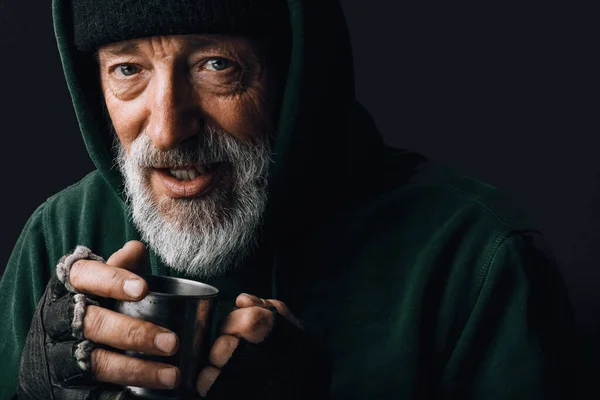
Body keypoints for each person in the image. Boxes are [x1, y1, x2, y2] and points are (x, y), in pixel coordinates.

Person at [0, 0, 577, 398]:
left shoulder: (473, 260)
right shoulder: (61, 236)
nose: (169, 128)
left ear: (300, 74)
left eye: (216, 65)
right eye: (128, 69)